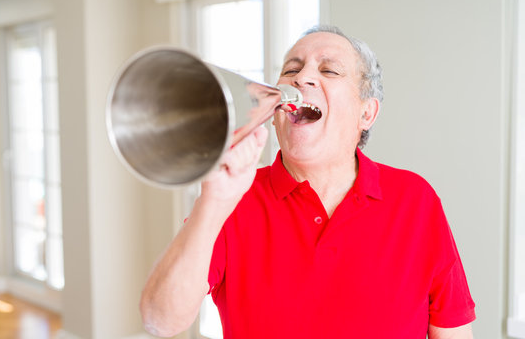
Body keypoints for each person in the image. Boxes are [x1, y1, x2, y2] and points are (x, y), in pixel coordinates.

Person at [139, 25, 476, 339]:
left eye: (328, 70)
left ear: (367, 113)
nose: (301, 79)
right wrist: (213, 202)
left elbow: (453, 330)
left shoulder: (415, 199)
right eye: (291, 70)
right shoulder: (234, 199)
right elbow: (159, 319)